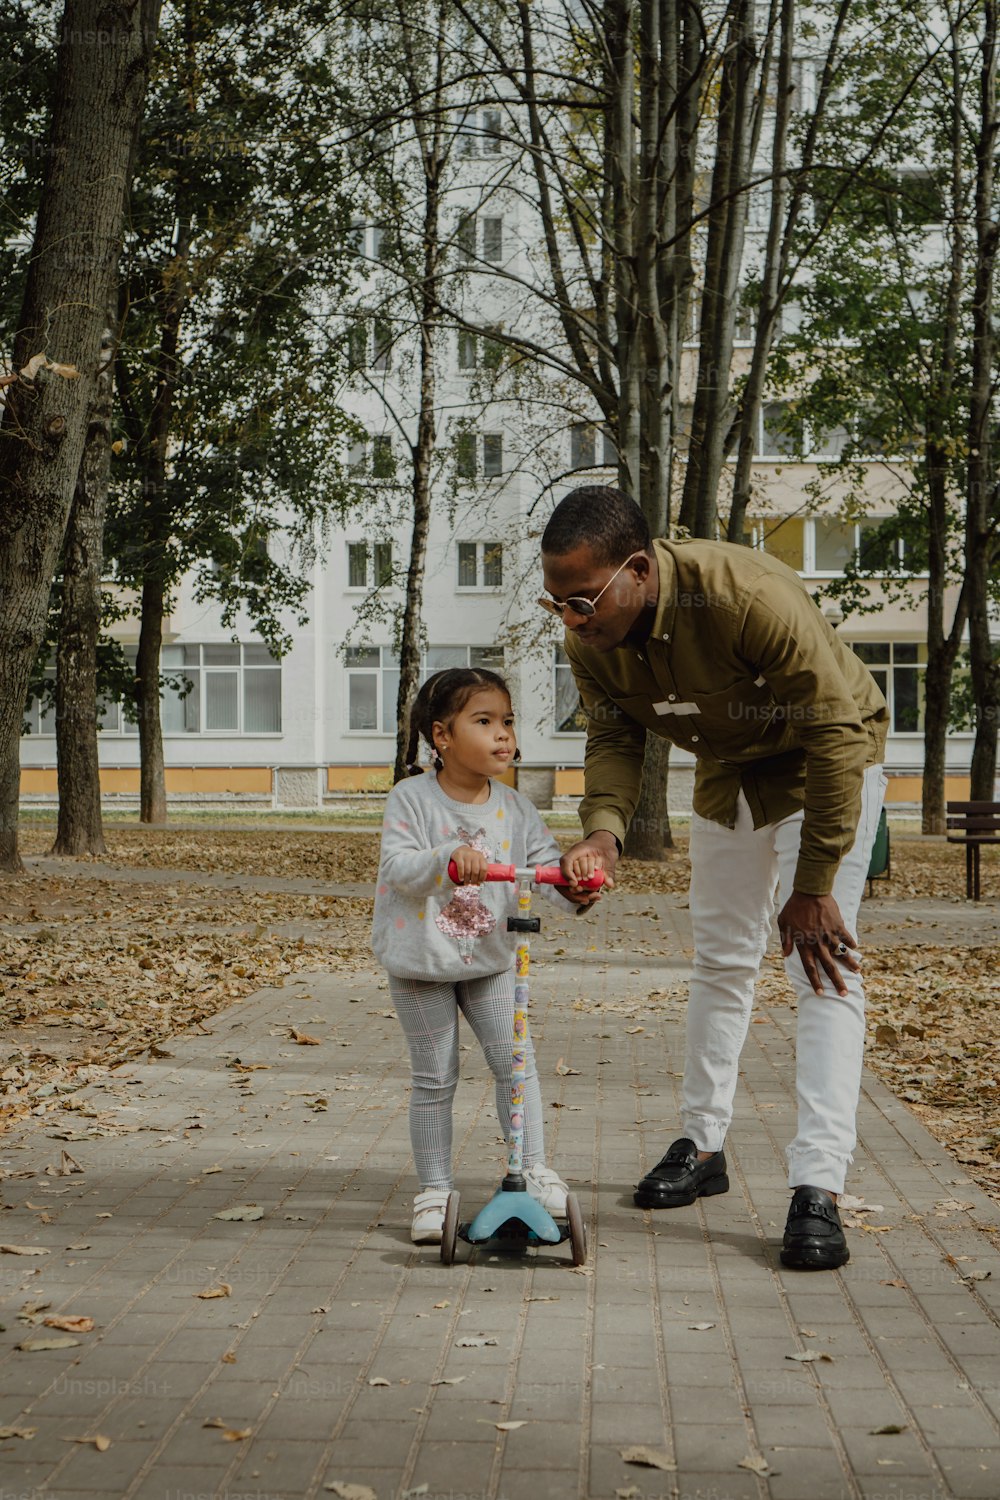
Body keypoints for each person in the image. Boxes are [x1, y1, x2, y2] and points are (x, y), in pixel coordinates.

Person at [541, 486, 889, 1271]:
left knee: (821, 966)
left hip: (825, 768)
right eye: (556, 603)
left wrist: (814, 883)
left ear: (638, 569)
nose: (572, 620)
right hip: (729, 772)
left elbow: (835, 733)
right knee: (722, 961)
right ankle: (703, 1145)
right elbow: (614, 733)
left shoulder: (745, 597)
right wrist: (603, 835)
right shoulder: (587, 634)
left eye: (583, 600)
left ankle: (818, 1186)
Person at [372, 666, 601, 1244]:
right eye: (484, 722)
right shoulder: (412, 799)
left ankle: (532, 1169)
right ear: (442, 735)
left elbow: (546, 867)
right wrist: (446, 856)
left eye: (508, 722)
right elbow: (398, 867)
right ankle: (435, 1189)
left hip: (493, 963)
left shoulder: (516, 808)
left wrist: (574, 883)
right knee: (435, 1077)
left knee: (516, 1064)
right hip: (422, 965)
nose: (503, 735)